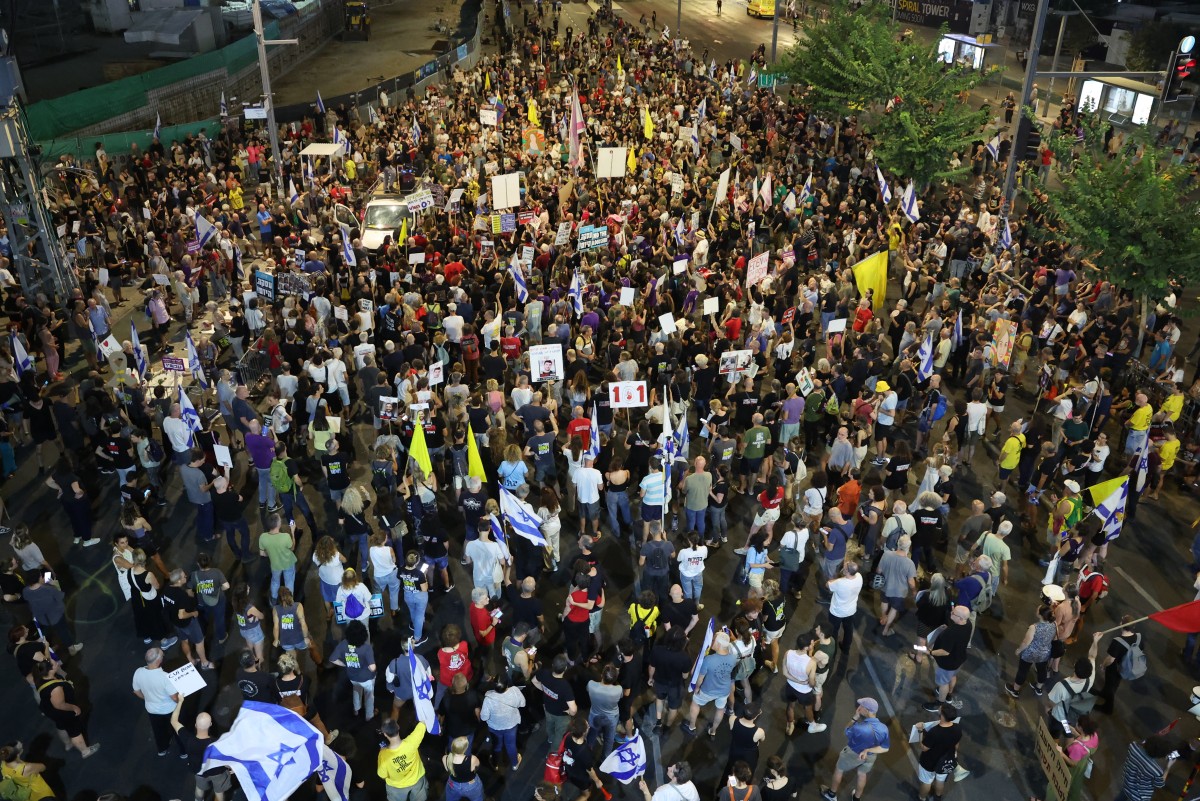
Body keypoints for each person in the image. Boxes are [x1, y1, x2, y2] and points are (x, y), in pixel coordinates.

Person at [820, 697, 890, 801]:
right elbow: (885, 748)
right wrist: (868, 750)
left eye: (862, 706)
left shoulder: (860, 727)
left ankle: (831, 795)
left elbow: (846, 731)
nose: (859, 707)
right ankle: (856, 798)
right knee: (862, 774)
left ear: (867, 710)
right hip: (870, 756)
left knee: (839, 769)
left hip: (853, 753)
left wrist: (855, 717)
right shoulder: (884, 728)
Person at [170, 695, 233, 801]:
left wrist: (180, 701)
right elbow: (225, 759)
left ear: (195, 725)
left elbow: (173, 721)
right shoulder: (217, 743)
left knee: (199, 788)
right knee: (219, 792)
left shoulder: (188, 739)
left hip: (199, 771)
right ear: (210, 725)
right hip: (217, 772)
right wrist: (232, 766)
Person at [32, 660, 100, 757]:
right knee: (74, 731)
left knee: (61, 726)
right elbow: (60, 705)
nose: (56, 662)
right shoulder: (55, 688)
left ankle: (68, 744)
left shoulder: (41, 678)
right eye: (54, 663)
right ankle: (85, 751)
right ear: (50, 670)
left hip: (52, 711)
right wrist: (74, 707)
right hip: (63, 712)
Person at [682, 629, 736, 736]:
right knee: (720, 710)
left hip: (707, 690)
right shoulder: (733, 658)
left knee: (696, 703)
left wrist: (697, 688)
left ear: (719, 644)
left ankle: (692, 726)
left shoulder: (709, 660)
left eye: (714, 640)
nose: (712, 642)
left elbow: (700, 678)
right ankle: (713, 731)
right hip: (724, 690)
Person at [131, 646, 182, 757]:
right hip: (169, 710)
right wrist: (181, 700)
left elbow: (136, 691)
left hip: (152, 710)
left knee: (158, 731)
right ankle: (183, 752)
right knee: (177, 730)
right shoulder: (165, 677)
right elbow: (174, 698)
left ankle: (162, 749)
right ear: (159, 661)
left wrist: (148, 699)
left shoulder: (138, 672)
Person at [923, 605, 972, 711]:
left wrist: (931, 652)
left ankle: (939, 703)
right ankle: (949, 695)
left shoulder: (952, 632)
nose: (951, 613)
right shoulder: (968, 624)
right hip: (959, 658)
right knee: (953, 676)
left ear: (960, 618)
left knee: (943, 683)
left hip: (947, 663)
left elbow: (945, 652)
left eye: (953, 613)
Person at [782, 632, 827, 736]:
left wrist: (796, 681)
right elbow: (811, 683)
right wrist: (807, 683)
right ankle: (812, 726)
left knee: (790, 705)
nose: (813, 645)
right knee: (808, 707)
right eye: (811, 644)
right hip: (804, 691)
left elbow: (785, 673)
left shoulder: (788, 653)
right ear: (806, 647)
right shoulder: (811, 662)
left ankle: (789, 725)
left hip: (790, 686)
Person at [914, 702, 962, 801]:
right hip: (945, 761)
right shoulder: (957, 728)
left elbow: (923, 747)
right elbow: (956, 745)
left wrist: (920, 731)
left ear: (942, 716)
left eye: (940, 709)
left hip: (929, 762)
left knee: (927, 782)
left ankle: (921, 797)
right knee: (940, 781)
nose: (939, 709)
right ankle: (938, 797)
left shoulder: (934, 732)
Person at [480, 676, 525, 771]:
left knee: (497, 745)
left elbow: (484, 717)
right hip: (511, 725)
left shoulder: (488, 698)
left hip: (494, 727)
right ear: (507, 684)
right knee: (511, 745)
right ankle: (515, 764)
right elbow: (523, 704)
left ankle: (495, 764)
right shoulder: (515, 691)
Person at [377, 717, 427, 801]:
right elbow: (423, 723)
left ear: (385, 734)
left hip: (396, 787)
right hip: (417, 780)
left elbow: (382, 775)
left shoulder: (383, 755)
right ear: (398, 727)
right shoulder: (412, 742)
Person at [636, 760, 700, 801]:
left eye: (671, 771)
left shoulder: (664, 791)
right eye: (672, 766)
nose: (669, 768)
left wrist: (645, 790)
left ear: (675, 778)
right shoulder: (690, 785)